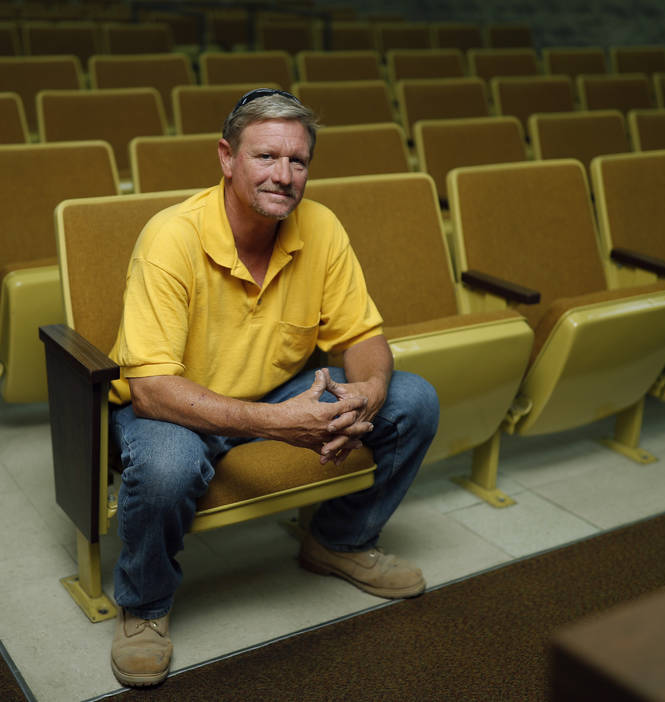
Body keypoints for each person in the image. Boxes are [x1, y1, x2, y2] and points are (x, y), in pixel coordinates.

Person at [106, 88, 440, 687]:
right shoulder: (171, 237)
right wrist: (282, 425)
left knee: (414, 400)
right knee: (164, 467)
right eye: (265, 157)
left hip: (277, 388)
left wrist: (369, 391)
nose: (283, 176)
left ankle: (338, 542)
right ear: (227, 158)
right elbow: (152, 389)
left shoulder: (321, 225)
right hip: (175, 403)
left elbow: (363, 335)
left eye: (298, 161)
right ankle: (144, 603)